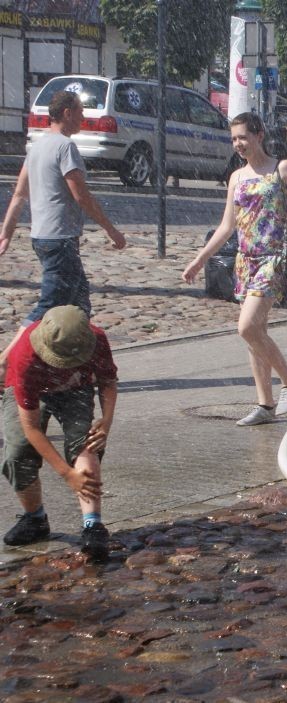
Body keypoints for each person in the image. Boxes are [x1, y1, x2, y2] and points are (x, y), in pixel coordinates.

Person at [182, 112, 287, 426]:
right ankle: (266, 405)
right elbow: (226, 226)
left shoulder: (281, 168)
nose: (238, 144)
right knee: (256, 332)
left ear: (259, 135)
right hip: (246, 261)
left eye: (243, 137)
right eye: (233, 139)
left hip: (275, 259)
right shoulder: (236, 178)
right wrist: (200, 259)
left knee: (246, 327)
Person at [0, 90, 126, 377]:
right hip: (60, 239)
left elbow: (19, 194)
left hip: (43, 237)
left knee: (79, 302)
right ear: (67, 113)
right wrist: (111, 229)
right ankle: (7, 360)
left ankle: (77, 363)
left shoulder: (37, 147)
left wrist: (6, 232)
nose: (83, 117)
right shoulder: (64, 148)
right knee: (49, 304)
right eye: (80, 111)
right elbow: (81, 196)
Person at [2, 305, 118, 561]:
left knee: (87, 443)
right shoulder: (26, 356)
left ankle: (93, 525)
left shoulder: (96, 339)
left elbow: (108, 381)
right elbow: (30, 428)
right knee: (18, 451)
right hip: (31, 393)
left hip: (76, 389)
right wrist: (67, 474)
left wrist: (106, 420)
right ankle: (35, 519)